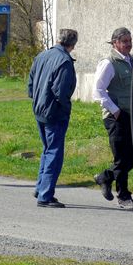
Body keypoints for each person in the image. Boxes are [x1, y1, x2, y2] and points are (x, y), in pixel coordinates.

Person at [92, 27, 133, 211]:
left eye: (130, 41)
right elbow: (98, 91)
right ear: (115, 43)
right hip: (118, 117)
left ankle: (105, 177)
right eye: (124, 41)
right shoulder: (109, 63)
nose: (128, 44)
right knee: (122, 158)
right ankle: (123, 197)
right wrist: (115, 112)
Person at [28, 29, 79, 208]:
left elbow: (30, 83)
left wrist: (36, 99)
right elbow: (61, 91)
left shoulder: (42, 56)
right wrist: (66, 108)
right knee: (54, 153)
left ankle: (41, 188)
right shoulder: (64, 61)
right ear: (73, 44)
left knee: (47, 150)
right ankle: (45, 195)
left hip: (39, 108)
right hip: (54, 112)